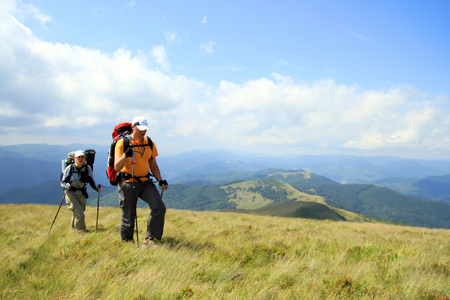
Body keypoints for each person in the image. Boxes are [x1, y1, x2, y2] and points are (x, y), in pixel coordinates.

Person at [114, 116, 168, 247]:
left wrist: (160, 180)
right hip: (127, 182)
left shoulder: (149, 142)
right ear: (133, 127)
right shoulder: (123, 143)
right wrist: (125, 155)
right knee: (129, 215)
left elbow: (153, 164)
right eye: (140, 129)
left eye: (145, 129)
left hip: (145, 181)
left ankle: (149, 239)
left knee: (159, 207)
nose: (143, 132)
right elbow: (116, 167)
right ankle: (126, 242)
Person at [61, 150, 101, 232]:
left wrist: (96, 188)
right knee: (80, 215)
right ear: (75, 158)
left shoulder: (87, 168)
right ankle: (80, 232)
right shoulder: (69, 168)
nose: (81, 159)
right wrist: (66, 186)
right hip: (70, 193)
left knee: (78, 212)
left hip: (81, 192)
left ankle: (72, 230)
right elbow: (63, 182)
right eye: (79, 157)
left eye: (82, 157)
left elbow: (91, 180)